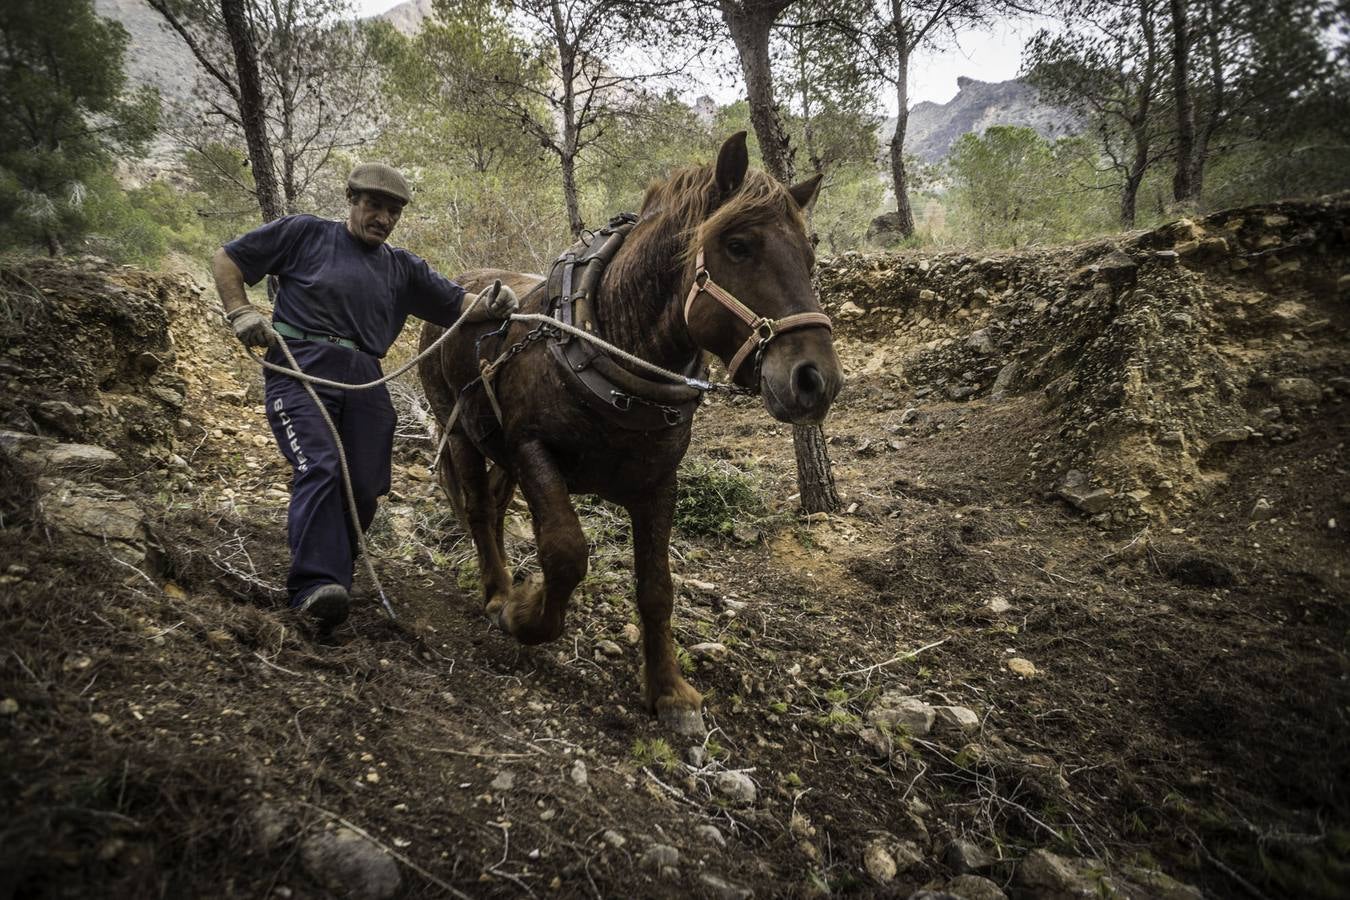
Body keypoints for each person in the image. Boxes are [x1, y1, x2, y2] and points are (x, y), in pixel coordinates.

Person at [212, 162, 517, 629]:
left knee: (364, 484)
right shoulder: (304, 234)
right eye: (374, 205)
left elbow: (459, 304)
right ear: (352, 200)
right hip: (300, 366)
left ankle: (335, 574)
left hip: (365, 376)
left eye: (392, 211)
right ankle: (315, 585)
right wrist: (240, 311)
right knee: (320, 464)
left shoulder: (402, 268)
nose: (383, 217)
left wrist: (495, 303)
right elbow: (229, 259)